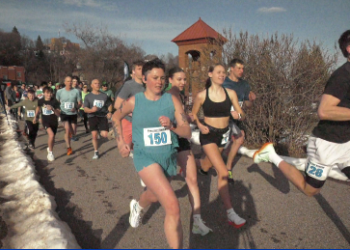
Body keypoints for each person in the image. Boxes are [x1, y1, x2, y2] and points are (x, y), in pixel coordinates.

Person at [253, 30, 350, 196]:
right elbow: (324, 111)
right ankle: (272, 155)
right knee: (309, 190)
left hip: (346, 143)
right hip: (327, 145)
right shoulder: (342, 77)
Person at [112, 59, 191, 249]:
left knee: (154, 195)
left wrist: (172, 126)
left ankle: (137, 206)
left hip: (167, 159)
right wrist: (120, 142)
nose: (159, 81)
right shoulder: (134, 101)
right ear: (145, 78)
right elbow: (115, 116)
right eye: (155, 77)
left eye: (162, 78)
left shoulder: (171, 100)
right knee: (173, 206)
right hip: (144, 158)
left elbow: (186, 131)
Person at [192, 63, 247, 228]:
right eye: (218, 72)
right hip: (208, 135)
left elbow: (241, 114)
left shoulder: (231, 93)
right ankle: (231, 213)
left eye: (224, 73)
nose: (222, 75)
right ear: (210, 74)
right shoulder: (202, 95)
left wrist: (238, 114)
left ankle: (186, 163)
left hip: (224, 135)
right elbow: (194, 113)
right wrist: (200, 125)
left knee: (206, 164)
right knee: (222, 171)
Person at [167, 67, 212, 236]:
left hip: (182, 140)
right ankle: (141, 204)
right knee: (163, 183)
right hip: (168, 140)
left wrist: (188, 117)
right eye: (179, 79)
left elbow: (181, 116)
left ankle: (197, 221)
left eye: (184, 79)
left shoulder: (181, 95)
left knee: (192, 179)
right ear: (170, 80)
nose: (183, 82)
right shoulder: (167, 96)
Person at [219, 59, 256, 183]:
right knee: (209, 160)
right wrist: (228, 112)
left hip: (237, 118)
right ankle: (200, 164)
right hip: (221, 117)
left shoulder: (244, 85)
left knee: (239, 138)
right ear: (231, 68)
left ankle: (228, 168)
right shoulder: (223, 82)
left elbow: (247, 105)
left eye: (243, 68)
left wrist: (251, 99)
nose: (242, 71)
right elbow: (214, 102)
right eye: (239, 68)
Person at [114, 60, 145, 155]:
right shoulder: (129, 85)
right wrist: (131, 110)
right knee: (125, 152)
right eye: (139, 69)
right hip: (129, 122)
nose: (142, 71)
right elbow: (117, 105)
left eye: (144, 68)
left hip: (143, 123)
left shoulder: (149, 85)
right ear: (134, 71)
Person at [84, 79, 112, 159]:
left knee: (105, 135)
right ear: (92, 85)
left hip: (102, 116)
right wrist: (91, 110)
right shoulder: (88, 96)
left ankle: (100, 134)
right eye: (95, 83)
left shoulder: (104, 95)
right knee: (94, 136)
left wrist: (109, 112)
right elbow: (85, 109)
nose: (97, 85)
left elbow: (109, 105)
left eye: (98, 83)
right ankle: (96, 152)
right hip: (92, 116)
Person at [56, 76, 82, 155]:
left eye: (71, 81)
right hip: (64, 113)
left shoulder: (76, 91)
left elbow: (80, 103)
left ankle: (71, 134)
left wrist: (76, 107)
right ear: (65, 82)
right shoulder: (60, 92)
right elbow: (56, 102)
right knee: (67, 129)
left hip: (73, 113)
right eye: (68, 81)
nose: (70, 83)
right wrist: (58, 109)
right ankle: (69, 147)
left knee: (73, 132)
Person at [34, 87, 60, 161]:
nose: (49, 94)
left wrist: (52, 109)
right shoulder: (41, 101)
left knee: (53, 138)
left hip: (54, 121)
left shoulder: (55, 102)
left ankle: (49, 148)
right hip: (45, 121)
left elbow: (58, 113)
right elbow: (38, 108)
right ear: (44, 93)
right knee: (51, 135)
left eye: (50, 93)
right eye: (47, 93)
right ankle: (50, 153)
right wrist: (36, 116)